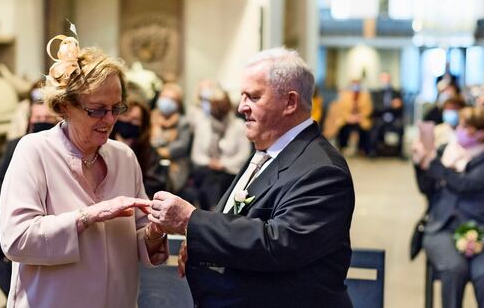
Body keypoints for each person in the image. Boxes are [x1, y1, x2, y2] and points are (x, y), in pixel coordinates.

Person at [147, 47, 355, 307]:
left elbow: (278, 244)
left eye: (253, 97)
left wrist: (192, 222)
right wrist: (204, 244)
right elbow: (238, 217)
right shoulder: (268, 149)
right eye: (242, 95)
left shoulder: (323, 171)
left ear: (290, 102)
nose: (240, 106)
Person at [0, 31, 168, 308]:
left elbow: (138, 236)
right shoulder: (34, 151)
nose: (110, 119)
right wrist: (89, 215)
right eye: (97, 110)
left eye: (117, 108)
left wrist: (155, 231)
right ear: (65, 106)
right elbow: (17, 241)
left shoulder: (124, 157)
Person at [413, 106, 484, 308]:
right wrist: (419, 162)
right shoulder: (447, 150)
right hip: (443, 226)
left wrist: (434, 165)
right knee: (454, 269)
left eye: (467, 127)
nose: (459, 130)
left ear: (482, 134)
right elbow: (427, 188)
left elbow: (466, 185)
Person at [0, 98, 58, 296]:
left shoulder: (63, 150)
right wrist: (0, 209)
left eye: (47, 118)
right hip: (11, 213)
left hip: (50, 217)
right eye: (38, 118)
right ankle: (20, 294)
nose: (42, 121)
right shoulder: (15, 146)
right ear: (30, 121)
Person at [189, 87, 250, 210]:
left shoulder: (238, 125)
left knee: (218, 180)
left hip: (230, 171)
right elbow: (196, 155)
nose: (217, 108)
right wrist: (210, 162)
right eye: (214, 104)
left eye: (220, 104)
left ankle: (214, 210)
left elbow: (244, 155)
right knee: (209, 180)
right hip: (207, 170)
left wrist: (222, 164)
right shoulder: (203, 124)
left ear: (227, 105)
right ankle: (214, 210)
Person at [111, 96, 166, 199]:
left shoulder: (149, 152)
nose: (129, 122)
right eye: (126, 116)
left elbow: (153, 187)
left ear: (143, 124)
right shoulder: (104, 145)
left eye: (135, 119)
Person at [150, 83, 192, 193]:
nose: (167, 102)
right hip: (151, 162)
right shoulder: (150, 118)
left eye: (172, 99)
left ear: (178, 104)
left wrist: (157, 151)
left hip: (175, 165)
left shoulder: (183, 122)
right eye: (164, 97)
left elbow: (181, 146)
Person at [323, 79, 373, 156]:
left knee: (365, 129)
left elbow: (368, 108)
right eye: (353, 84)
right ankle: (342, 146)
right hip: (346, 119)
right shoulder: (344, 95)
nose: (355, 87)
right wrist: (348, 117)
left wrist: (359, 116)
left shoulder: (365, 96)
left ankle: (362, 149)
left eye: (357, 84)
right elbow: (340, 109)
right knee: (342, 128)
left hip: (360, 119)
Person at [369, 71, 404, 157]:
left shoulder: (397, 92)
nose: (385, 80)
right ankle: (373, 151)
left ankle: (399, 152)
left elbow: (401, 107)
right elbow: (376, 108)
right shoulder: (376, 93)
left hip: (394, 117)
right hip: (380, 117)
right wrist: (391, 105)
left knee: (400, 127)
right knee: (375, 127)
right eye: (383, 78)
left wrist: (399, 105)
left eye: (387, 78)